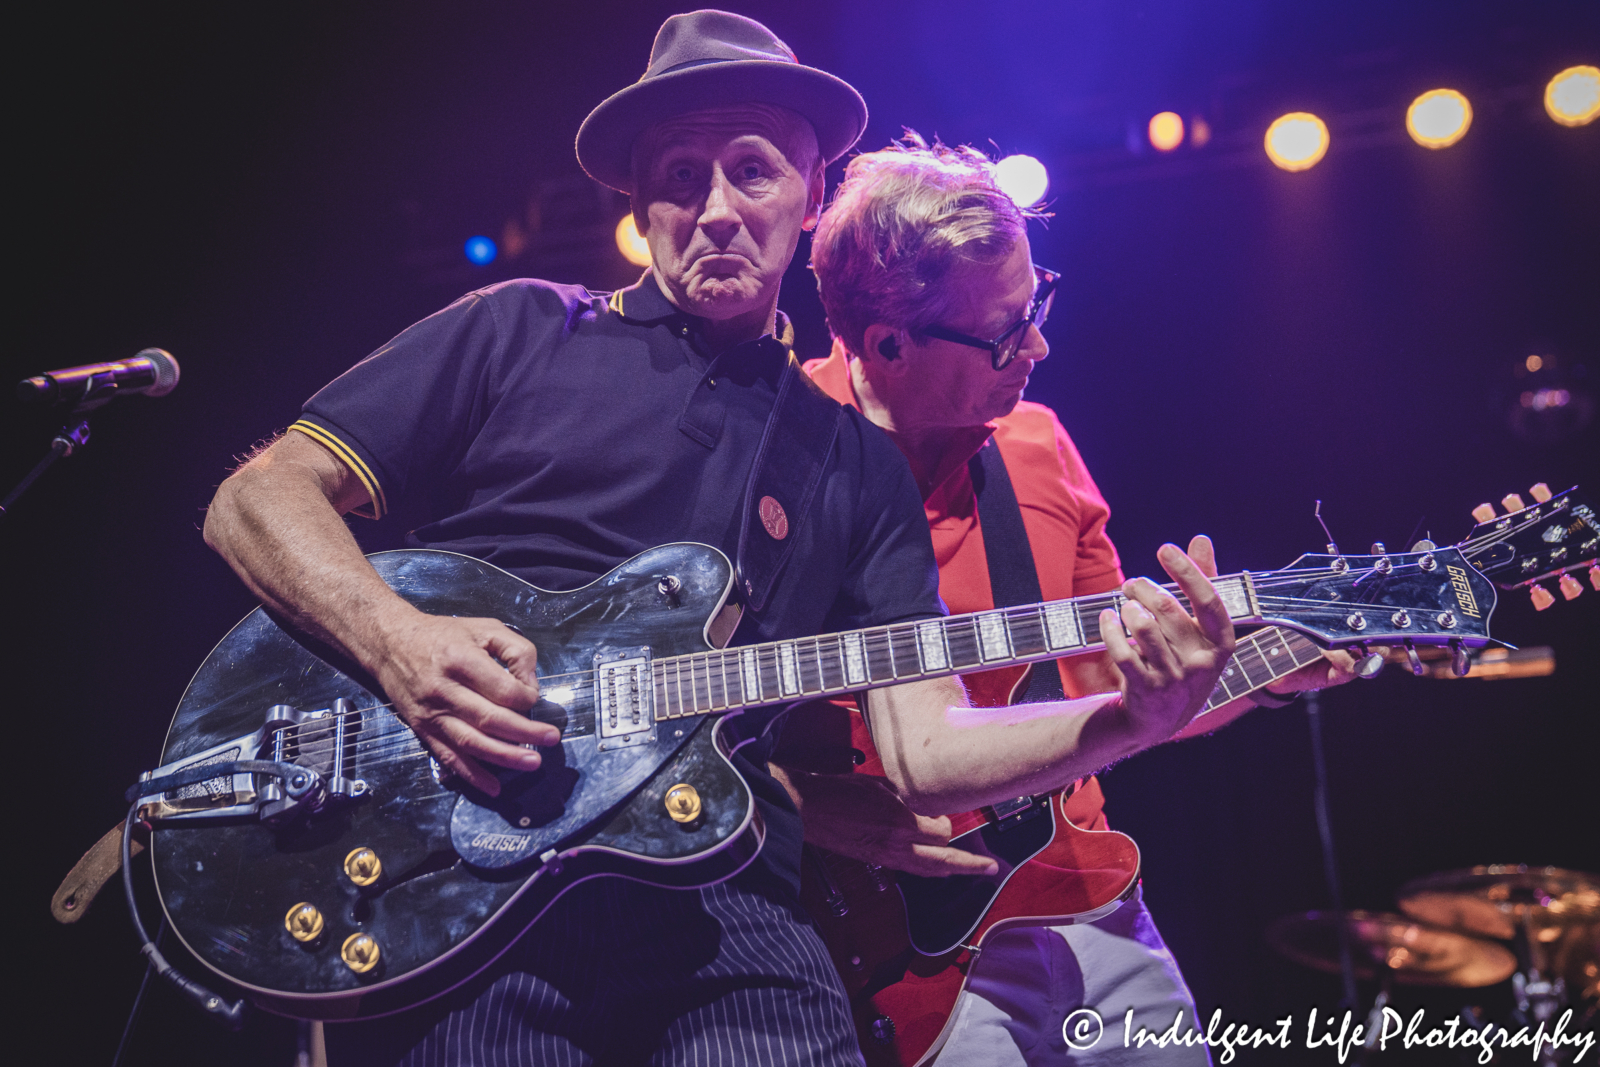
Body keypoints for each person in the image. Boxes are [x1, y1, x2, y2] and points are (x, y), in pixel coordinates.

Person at [202, 14, 1238, 1065]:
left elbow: (929, 752)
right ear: (639, 206)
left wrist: (1130, 715)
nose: (715, 210)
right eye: (679, 177)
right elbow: (258, 497)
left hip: (722, 908)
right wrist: (398, 643)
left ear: (806, 194)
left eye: (751, 170)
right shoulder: (518, 329)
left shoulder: (848, 459)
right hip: (459, 888)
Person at [781, 136, 1360, 1065]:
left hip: (1085, 891)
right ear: (887, 342)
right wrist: (801, 805)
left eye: (1036, 304)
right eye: (1006, 332)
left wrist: (1279, 670)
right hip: (893, 949)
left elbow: (1125, 701)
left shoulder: (1039, 445)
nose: (1040, 347)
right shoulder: (772, 461)